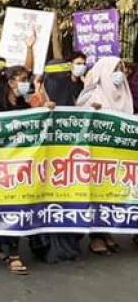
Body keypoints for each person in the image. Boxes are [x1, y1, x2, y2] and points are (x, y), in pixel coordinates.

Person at [28, 59, 85, 263]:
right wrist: (42, 110)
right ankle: (44, 245)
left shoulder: (74, 97)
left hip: (67, 163)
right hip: (44, 163)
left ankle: (67, 244)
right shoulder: (36, 98)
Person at [77, 56, 133, 255]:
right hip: (97, 159)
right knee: (98, 195)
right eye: (115, 69)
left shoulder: (124, 94)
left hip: (118, 157)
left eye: (121, 69)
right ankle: (96, 237)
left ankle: (107, 233)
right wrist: (92, 112)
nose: (119, 74)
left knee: (112, 195)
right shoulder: (93, 96)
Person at [0, 65, 32, 275]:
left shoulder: (24, 105)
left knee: (14, 206)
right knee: (0, 205)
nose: (26, 83)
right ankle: (0, 247)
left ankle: (12, 252)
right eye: (22, 79)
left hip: (19, 164)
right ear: (11, 83)